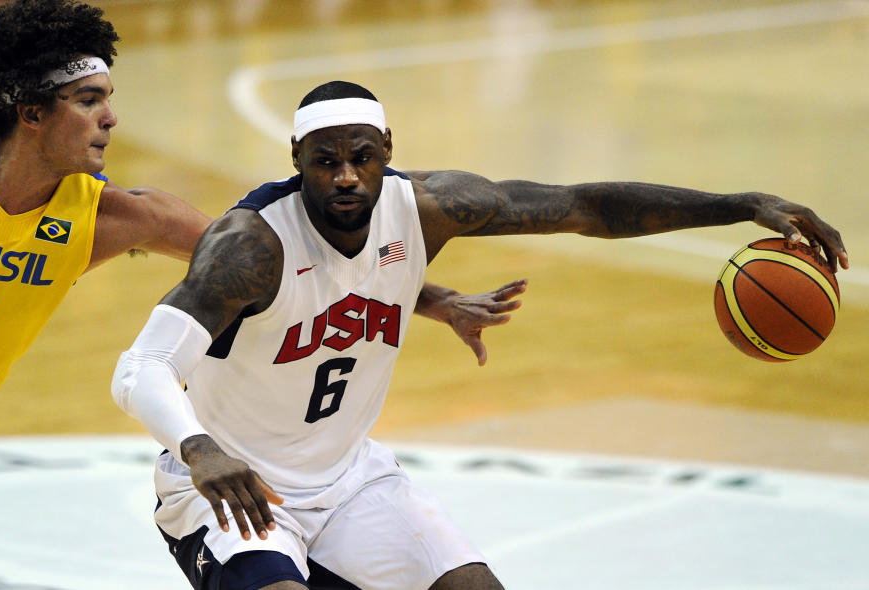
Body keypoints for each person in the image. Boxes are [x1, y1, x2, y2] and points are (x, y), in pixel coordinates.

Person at [111, 79, 849, 590]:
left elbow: (584, 207)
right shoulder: (249, 245)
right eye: (326, 161)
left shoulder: (431, 208)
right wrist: (198, 447)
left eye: (362, 157)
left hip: (350, 480)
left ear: (388, 150)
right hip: (234, 489)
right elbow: (140, 367)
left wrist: (744, 203)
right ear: (296, 163)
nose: (345, 177)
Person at [0, 3, 524, 586]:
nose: (111, 118)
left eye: (109, 101)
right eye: (89, 100)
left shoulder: (115, 216)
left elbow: (286, 260)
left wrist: (431, 297)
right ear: (31, 111)